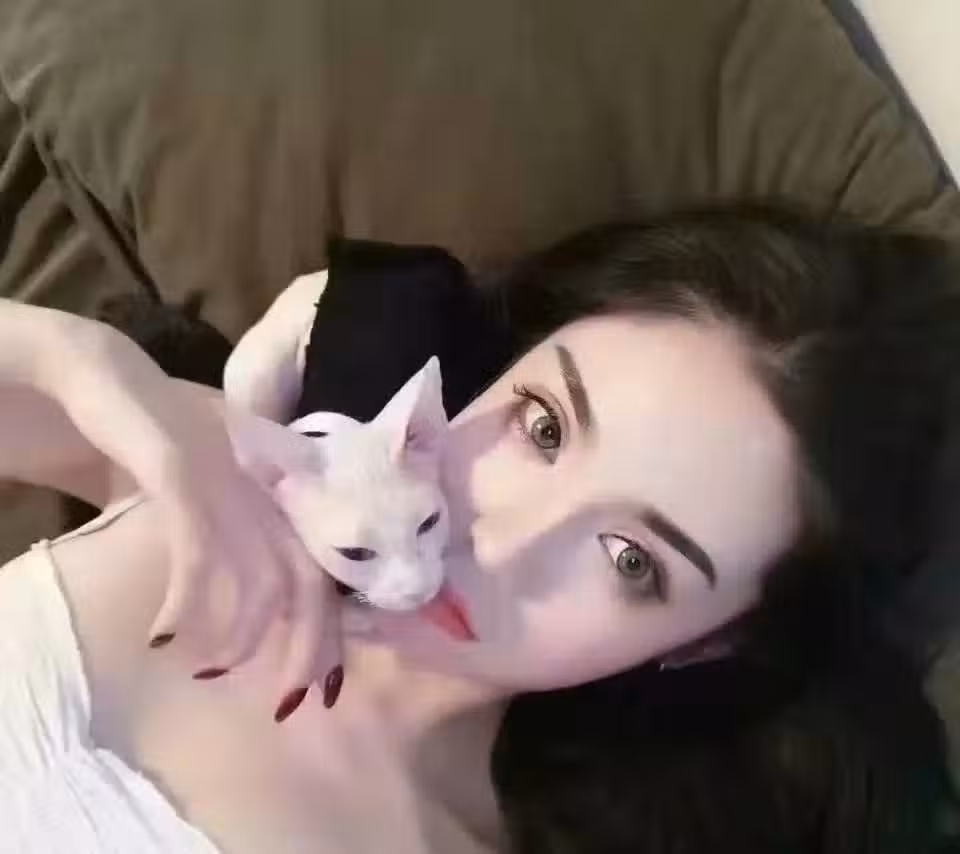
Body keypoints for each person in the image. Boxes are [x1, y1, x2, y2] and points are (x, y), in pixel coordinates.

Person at [0, 206, 957, 853]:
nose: (498, 542)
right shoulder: (230, 470)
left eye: (632, 560)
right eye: (543, 427)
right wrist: (61, 355)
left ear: (707, 642)